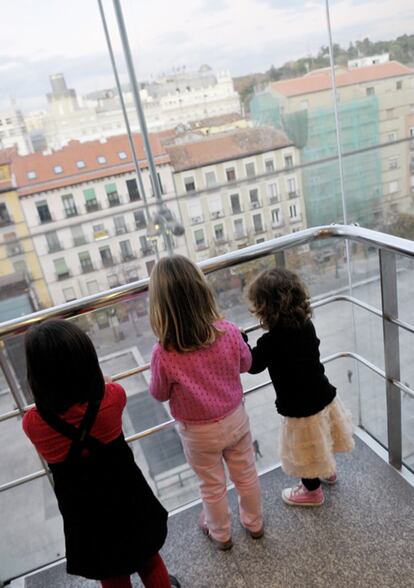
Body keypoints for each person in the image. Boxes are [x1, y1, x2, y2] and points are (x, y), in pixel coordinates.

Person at [22, 319, 180, 588]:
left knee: (111, 572)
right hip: (127, 495)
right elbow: (109, 388)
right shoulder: (112, 397)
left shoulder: (34, 424)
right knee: (148, 558)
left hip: (85, 512)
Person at [148, 255, 263, 550]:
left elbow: (159, 393)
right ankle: (254, 523)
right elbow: (246, 363)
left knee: (211, 486)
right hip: (235, 417)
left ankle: (221, 534)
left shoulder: (164, 353)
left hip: (198, 433)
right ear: (202, 291)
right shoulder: (227, 331)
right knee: (246, 474)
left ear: (160, 305)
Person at [246, 268, 354, 507]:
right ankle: (328, 470)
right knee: (322, 433)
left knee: (305, 449)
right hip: (322, 393)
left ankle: (311, 490)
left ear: (265, 308)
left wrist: (241, 343)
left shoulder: (270, 342)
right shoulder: (306, 325)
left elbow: (252, 365)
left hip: (298, 405)